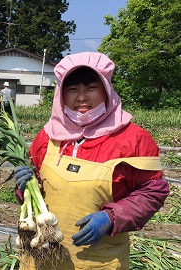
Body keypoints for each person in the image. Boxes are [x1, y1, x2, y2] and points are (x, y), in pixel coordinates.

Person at [14, 52, 169, 269]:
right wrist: (24, 187)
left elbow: (153, 190)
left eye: (91, 88)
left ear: (106, 90)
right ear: (61, 94)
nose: (81, 97)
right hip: (41, 256)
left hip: (99, 261)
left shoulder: (133, 139)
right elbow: (37, 188)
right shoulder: (48, 135)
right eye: (72, 89)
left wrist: (112, 218)